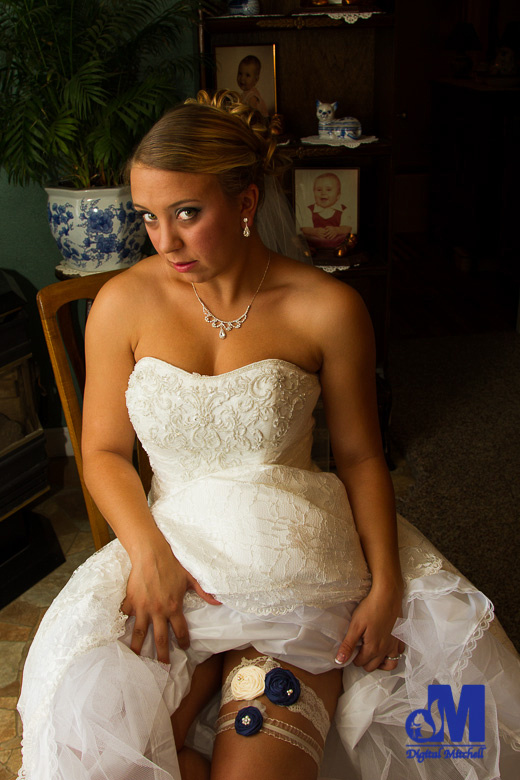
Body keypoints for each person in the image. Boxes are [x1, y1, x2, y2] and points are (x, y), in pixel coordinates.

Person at [17, 90, 520, 780]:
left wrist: (385, 586)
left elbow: (360, 457)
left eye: (187, 214)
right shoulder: (122, 304)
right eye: (148, 219)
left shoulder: (328, 308)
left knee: (271, 765)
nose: (164, 242)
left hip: (296, 567)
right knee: (103, 753)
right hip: (175, 560)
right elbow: (102, 453)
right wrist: (149, 554)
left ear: (247, 202)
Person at [298, 172, 353, 249]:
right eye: (319, 190)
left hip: (336, 244)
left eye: (328, 189)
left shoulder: (343, 210)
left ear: (338, 195)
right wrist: (315, 231)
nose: (323, 193)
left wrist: (337, 230)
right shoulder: (309, 210)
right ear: (313, 193)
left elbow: (347, 228)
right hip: (316, 244)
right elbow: (305, 228)